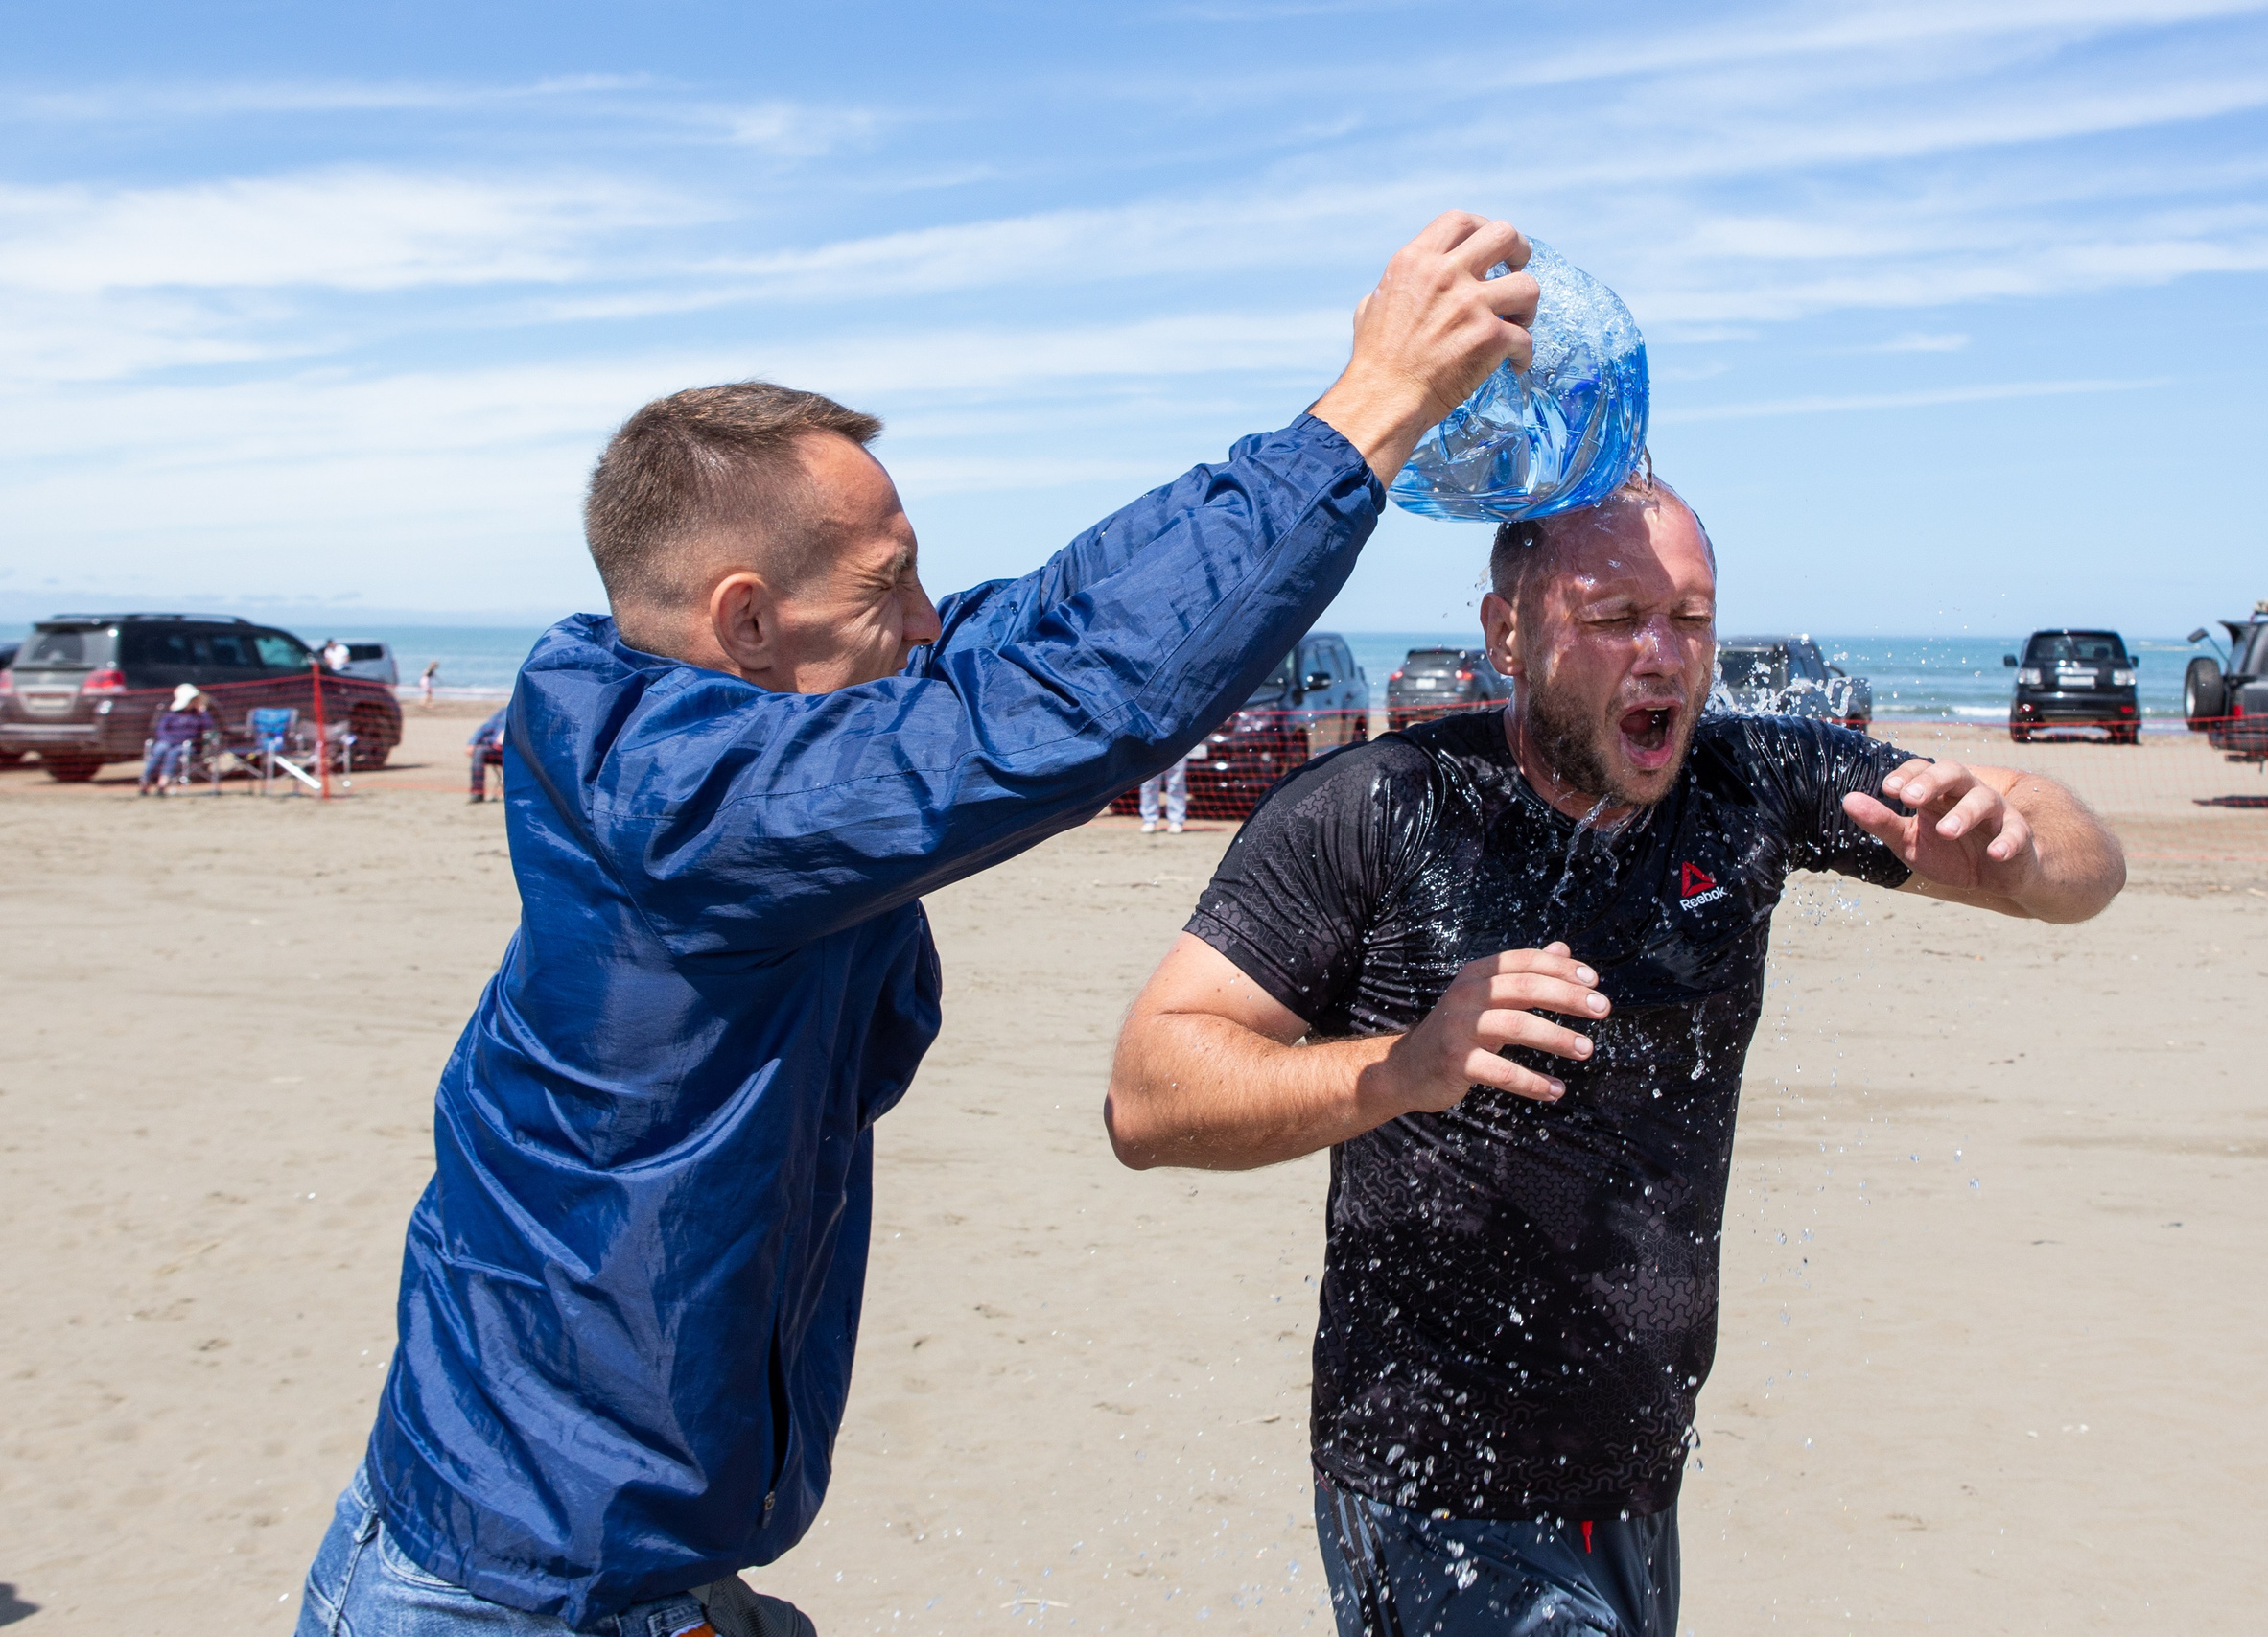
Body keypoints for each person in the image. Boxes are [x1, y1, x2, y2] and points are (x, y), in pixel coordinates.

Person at [293, 210, 1542, 1637]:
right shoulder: (696, 809)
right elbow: (1054, 714)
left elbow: (1039, 631)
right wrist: (1368, 412)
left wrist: (1299, 445)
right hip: (509, 1596)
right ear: (745, 621)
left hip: (637, 1570)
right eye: (888, 586)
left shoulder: (716, 726)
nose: (926, 613)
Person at [1104, 478, 2126, 1637]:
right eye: (1612, 619)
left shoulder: (1745, 787)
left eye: (1689, 621)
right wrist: (1399, 1068)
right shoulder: (1380, 809)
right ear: (1505, 635)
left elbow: (2074, 848)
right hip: (1435, 1482)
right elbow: (1147, 1092)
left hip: (1637, 1478)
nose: (1662, 657)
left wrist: (2024, 853)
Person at [139, 682, 215, 795]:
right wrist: (170, 741)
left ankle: (163, 782)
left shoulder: (199, 715)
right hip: (168, 743)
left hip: (189, 746)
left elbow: (209, 726)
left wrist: (203, 711)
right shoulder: (171, 715)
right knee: (161, 748)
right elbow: (161, 731)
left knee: (174, 753)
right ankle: (146, 780)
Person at [466, 703, 508, 804]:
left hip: (514, 753)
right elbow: (484, 728)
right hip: (497, 750)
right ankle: (477, 793)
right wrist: (472, 743)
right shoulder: (503, 712)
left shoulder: (527, 713)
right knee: (479, 751)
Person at [1139, 754, 1191, 832]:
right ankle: (1149, 820)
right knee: (1149, 783)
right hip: (1152, 748)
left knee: (1176, 784)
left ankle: (1176, 821)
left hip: (1176, 746)